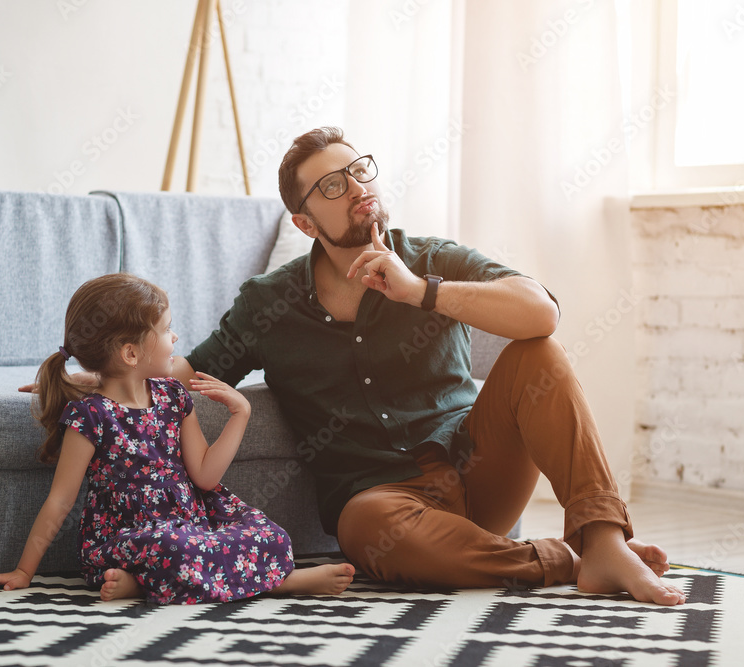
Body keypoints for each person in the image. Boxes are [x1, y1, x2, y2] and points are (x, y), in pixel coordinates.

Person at [168, 127, 686, 606]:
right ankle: (570, 560)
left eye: (359, 170)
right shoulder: (268, 304)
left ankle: (604, 541)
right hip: (382, 503)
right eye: (331, 185)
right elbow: (191, 373)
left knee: (539, 353)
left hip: (475, 469)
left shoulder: (430, 259)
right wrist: (102, 378)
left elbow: (540, 312)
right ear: (303, 223)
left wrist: (420, 292)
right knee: (366, 525)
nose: (355, 187)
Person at [0, 273, 354, 604]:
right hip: (128, 537)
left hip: (193, 526)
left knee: (271, 537)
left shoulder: (173, 396)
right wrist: (24, 571)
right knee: (175, 551)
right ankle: (278, 585)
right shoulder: (91, 417)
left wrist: (241, 415)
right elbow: (59, 502)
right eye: (165, 329)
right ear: (130, 353)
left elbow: (206, 476)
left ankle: (144, 585)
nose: (175, 337)